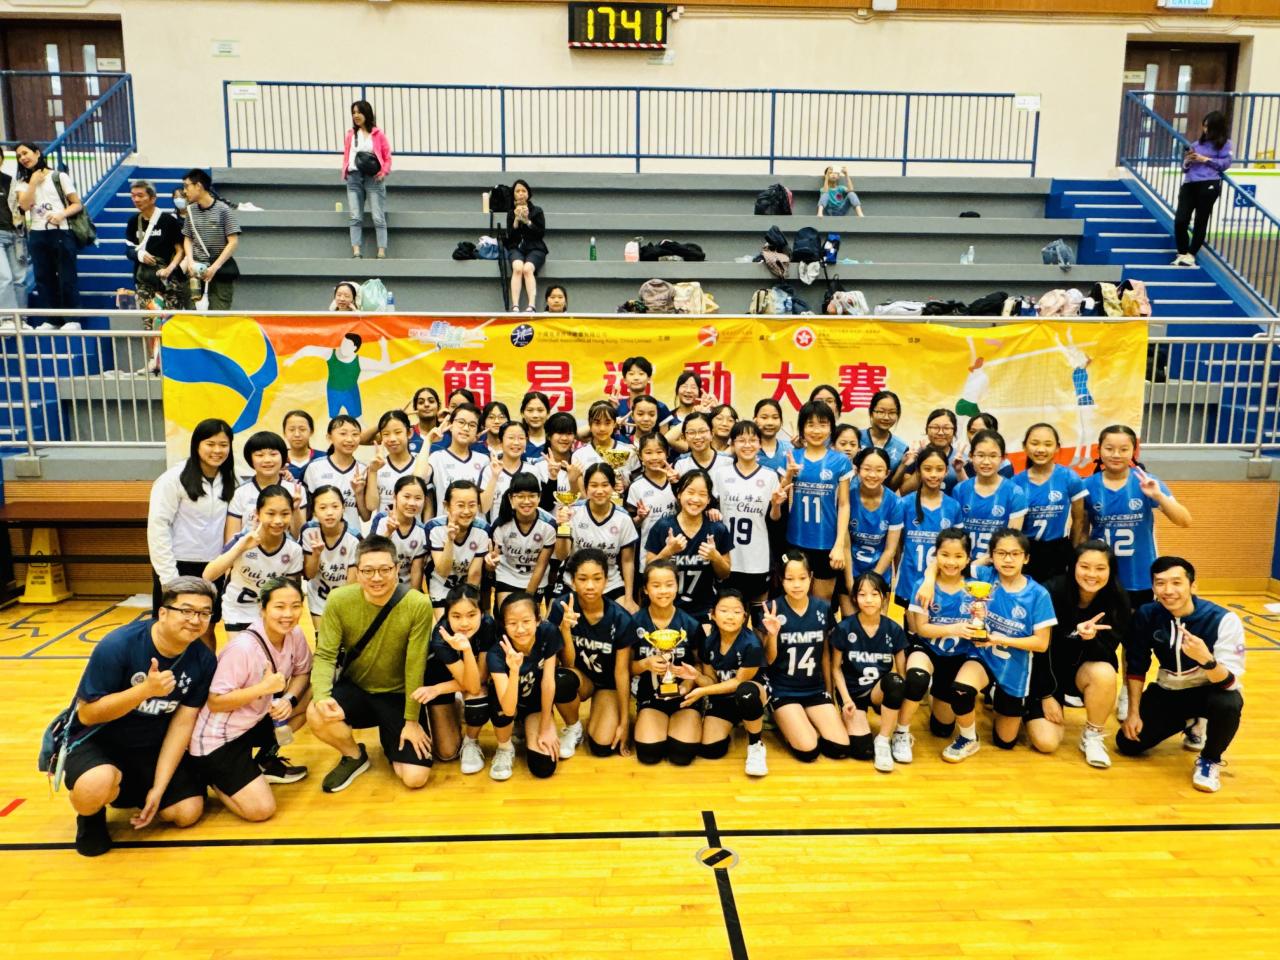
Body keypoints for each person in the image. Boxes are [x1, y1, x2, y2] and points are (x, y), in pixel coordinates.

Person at [62, 576, 219, 857]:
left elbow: (182, 724)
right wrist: (143, 691)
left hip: (149, 747)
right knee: (94, 786)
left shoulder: (203, 660)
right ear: (163, 612)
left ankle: (133, 791)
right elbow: (87, 715)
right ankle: (91, 816)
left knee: (187, 812)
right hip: (99, 742)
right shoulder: (118, 645)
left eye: (204, 613)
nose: (195, 620)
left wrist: (159, 787)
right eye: (186, 611)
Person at [306, 535, 434, 793]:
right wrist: (321, 696)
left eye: (385, 569)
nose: (377, 578)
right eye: (368, 571)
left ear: (397, 569)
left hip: (398, 695)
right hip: (357, 689)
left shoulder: (418, 604)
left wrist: (411, 720)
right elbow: (326, 655)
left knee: (415, 777)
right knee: (315, 712)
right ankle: (354, 755)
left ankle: (392, 738)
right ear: (357, 571)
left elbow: (415, 665)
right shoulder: (339, 600)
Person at [1116, 556, 1245, 793]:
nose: (1168, 590)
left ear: (1193, 586)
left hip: (1209, 691)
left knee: (1229, 703)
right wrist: (1133, 712)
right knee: (1128, 744)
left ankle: (1210, 759)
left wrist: (1206, 660)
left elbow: (1230, 683)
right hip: (1169, 690)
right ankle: (1191, 721)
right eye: (1160, 583)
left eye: (1176, 582)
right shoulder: (1147, 614)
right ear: (1153, 587)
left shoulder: (1223, 620)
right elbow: (1136, 666)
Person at [188, 577, 312, 822]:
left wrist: (289, 700)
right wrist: (263, 688)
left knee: (313, 697)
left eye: (295, 606)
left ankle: (264, 759)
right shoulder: (243, 648)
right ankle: (208, 775)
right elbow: (216, 701)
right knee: (261, 810)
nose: (288, 614)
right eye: (279, 607)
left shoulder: (295, 634)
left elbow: (303, 673)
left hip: (253, 722)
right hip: (219, 740)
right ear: (262, 609)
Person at [942, 528, 1055, 763]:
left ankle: (1004, 700)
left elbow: (1041, 644)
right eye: (1001, 553)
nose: (1008, 559)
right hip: (982, 656)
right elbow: (945, 564)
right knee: (960, 691)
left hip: (1014, 667)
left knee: (1005, 742)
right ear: (991, 556)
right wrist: (927, 581)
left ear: (1026, 558)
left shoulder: (1038, 594)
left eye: (1015, 554)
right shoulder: (984, 575)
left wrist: (998, 638)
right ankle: (968, 738)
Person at [1030, 541, 1130, 768]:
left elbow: (1106, 653)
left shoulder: (1118, 599)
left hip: (1082, 672)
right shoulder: (1050, 592)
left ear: (1110, 571)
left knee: (1104, 672)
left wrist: (1090, 638)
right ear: (1073, 566)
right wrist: (1046, 695)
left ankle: (1093, 736)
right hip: (1046, 672)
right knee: (1046, 742)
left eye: (1100, 568)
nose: (1092, 574)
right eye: (1085, 567)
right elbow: (1037, 650)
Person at [147, 418, 236, 649]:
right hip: (178, 566)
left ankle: (205, 672)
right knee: (172, 630)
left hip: (213, 568)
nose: (217, 450)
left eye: (223, 445)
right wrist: (168, 577)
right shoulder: (172, 479)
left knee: (206, 628)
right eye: (210, 444)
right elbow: (158, 526)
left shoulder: (231, 480)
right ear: (196, 445)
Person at [1085, 424, 1192, 611]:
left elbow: (1184, 520)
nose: (1116, 454)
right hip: (1099, 575)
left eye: (1123, 449)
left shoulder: (1147, 481)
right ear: (1099, 450)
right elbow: (1081, 529)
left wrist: (1158, 496)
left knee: (1138, 628)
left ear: (1133, 451)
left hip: (1140, 575)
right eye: (1109, 448)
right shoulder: (1087, 485)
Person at [761, 554, 849, 764]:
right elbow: (768, 660)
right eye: (790, 579)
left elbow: (825, 654)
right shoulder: (772, 608)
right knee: (809, 751)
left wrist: (829, 693)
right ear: (781, 580)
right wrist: (772, 635)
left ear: (811, 577)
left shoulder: (822, 608)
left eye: (802, 578)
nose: (797, 584)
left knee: (840, 747)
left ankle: (802, 720)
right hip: (784, 690)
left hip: (814, 689)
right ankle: (781, 716)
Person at [546, 549, 635, 758]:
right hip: (581, 678)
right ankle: (573, 727)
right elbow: (568, 664)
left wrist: (624, 722)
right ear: (572, 581)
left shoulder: (621, 618)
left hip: (608, 684)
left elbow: (622, 672)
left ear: (606, 580)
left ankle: (608, 712)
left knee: (602, 748)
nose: (590, 586)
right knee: (561, 679)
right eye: (582, 579)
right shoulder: (561, 607)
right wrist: (565, 630)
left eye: (597, 578)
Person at [900, 528, 978, 762]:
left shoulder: (975, 587)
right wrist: (955, 628)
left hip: (957, 656)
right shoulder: (924, 586)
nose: (951, 562)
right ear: (936, 556)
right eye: (945, 555)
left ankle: (937, 694)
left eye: (958, 556)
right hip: (928, 648)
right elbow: (922, 629)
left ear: (968, 559)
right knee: (916, 680)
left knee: (942, 729)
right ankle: (901, 732)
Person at [487, 592, 580, 780]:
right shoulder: (496, 653)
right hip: (511, 707)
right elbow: (508, 708)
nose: (520, 629)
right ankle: (504, 747)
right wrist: (514, 670)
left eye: (526, 621)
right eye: (512, 623)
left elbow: (548, 682)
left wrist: (545, 726)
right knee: (498, 698)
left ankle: (531, 725)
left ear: (538, 620)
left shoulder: (548, 632)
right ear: (504, 625)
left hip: (535, 705)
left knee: (543, 767)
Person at [684, 590, 769, 777]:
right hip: (723, 698)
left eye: (737, 612)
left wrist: (701, 692)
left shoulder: (752, 643)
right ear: (713, 614)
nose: (730, 616)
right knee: (711, 750)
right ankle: (734, 724)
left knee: (745, 692)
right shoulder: (709, 642)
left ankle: (755, 744)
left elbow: (739, 682)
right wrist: (696, 676)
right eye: (724, 610)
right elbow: (711, 681)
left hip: (752, 693)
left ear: (744, 616)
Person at [829, 571, 908, 772]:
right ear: (854, 598)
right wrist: (846, 700)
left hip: (878, 691)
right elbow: (835, 668)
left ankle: (884, 740)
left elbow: (901, 673)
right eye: (862, 594)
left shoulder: (894, 629)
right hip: (853, 693)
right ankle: (861, 724)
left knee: (895, 681)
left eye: (874, 594)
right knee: (861, 751)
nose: (869, 600)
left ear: (884, 597)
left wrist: (898, 705)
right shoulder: (845, 628)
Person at [629, 560, 705, 766]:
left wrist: (688, 683)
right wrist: (645, 664)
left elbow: (700, 664)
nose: (663, 591)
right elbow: (625, 668)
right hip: (650, 696)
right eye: (656, 585)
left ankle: (694, 716)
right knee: (649, 755)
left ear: (677, 586)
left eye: (669, 584)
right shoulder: (634, 623)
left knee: (681, 755)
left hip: (685, 698)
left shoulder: (690, 624)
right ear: (646, 589)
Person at [203, 485, 304, 634]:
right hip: (237, 611)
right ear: (257, 513)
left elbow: (290, 591)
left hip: (271, 613)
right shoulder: (242, 540)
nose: (278, 520)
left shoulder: (293, 549)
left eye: (285, 514)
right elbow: (208, 575)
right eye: (270, 513)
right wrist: (240, 547)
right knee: (244, 648)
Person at [413, 584, 493, 770]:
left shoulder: (488, 625)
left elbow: (477, 682)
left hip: (460, 681)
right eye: (456, 616)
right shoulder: (440, 637)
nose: (464, 623)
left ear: (481, 613)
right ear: (447, 616)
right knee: (447, 753)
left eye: (471, 615)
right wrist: (438, 687)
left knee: (477, 698)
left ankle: (471, 742)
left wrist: (438, 689)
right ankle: (455, 704)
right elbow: (471, 683)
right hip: (440, 676)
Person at [713, 420, 784, 615]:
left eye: (753, 440)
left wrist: (776, 504)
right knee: (732, 614)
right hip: (728, 557)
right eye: (741, 440)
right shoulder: (721, 474)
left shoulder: (770, 476)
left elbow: (775, 518)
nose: (747, 445)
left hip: (757, 557)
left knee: (760, 617)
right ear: (732, 443)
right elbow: (711, 508)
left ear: (760, 444)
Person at [784, 400, 853, 602]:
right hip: (795, 540)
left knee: (821, 602)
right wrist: (788, 475)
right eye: (810, 424)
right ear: (802, 428)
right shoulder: (793, 457)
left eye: (823, 424)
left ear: (831, 428)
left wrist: (839, 544)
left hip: (826, 543)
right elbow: (779, 495)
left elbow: (844, 504)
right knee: (796, 598)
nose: (816, 430)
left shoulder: (840, 461)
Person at [643, 469, 732, 623]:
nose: (695, 499)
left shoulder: (717, 529)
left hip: (704, 610)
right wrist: (668, 551)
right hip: (667, 609)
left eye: (702, 494)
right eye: (690, 492)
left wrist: (715, 557)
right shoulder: (662, 527)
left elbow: (725, 574)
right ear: (679, 494)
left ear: (709, 499)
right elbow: (648, 570)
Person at [13, 140, 82, 328]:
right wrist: (33, 182)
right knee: (44, 278)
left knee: (66, 277)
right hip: (37, 234)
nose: (23, 158)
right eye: (19, 156)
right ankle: (51, 319)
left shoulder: (59, 176)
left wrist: (61, 214)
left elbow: (77, 204)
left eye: (25, 153)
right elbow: (24, 206)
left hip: (61, 231)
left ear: (37, 153)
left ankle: (72, 320)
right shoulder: (22, 183)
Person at [555, 463, 639, 609]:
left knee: (629, 614)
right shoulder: (573, 512)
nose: (599, 491)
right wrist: (563, 527)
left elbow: (627, 561)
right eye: (594, 485)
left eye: (605, 485)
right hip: (574, 581)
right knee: (553, 614)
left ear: (613, 487)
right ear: (586, 488)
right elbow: (561, 555)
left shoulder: (624, 518)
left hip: (610, 583)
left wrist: (629, 598)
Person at [1015, 422, 1087, 584]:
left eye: (1048, 444)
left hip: (1058, 549)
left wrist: (1072, 551)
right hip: (1027, 549)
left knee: (1057, 595)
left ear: (1057, 448)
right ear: (1024, 447)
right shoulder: (1016, 483)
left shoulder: (1070, 477)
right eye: (1034, 443)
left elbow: (1079, 520)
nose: (1041, 449)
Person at [894, 446, 963, 613]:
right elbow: (898, 545)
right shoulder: (905, 504)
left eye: (939, 469)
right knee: (910, 627)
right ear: (918, 471)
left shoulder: (953, 506)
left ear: (946, 471)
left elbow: (958, 547)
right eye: (927, 469)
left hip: (941, 583)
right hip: (908, 582)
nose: (933, 474)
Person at [842, 447, 902, 616]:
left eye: (879, 470)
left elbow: (890, 550)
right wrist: (850, 583)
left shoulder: (895, 503)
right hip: (850, 572)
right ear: (857, 470)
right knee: (851, 626)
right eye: (867, 469)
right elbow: (845, 545)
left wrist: (872, 582)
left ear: (887, 473)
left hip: (880, 575)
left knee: (877, 627)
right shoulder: (847, 497)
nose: (872, 475)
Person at [951, 429, 1027, 562]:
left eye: (993, 456)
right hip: (963, 565)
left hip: (999, 565)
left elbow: (1011, 542)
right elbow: (953, 537)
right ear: (971, 456)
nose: (986, 462)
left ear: (1002, 458)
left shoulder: (1015, 493)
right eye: (980, 455)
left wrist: (980, 563)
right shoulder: (959, 490)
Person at [1172, 110, 1232, 267]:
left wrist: (1205, 159)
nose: (1205, 130)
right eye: (1204, 126)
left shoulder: (1225, 145)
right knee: (1180, 220)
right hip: (1190, 183)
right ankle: (1182, 252)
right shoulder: (1196, 145)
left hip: (1209, 183)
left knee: (1201, 220)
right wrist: (1188, 161)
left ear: (1216, 128)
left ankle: (1191, 254)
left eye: (1208, 127)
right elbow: (1185, 168)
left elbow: (1225, 164)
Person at [489, 471, 557, 604]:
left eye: (532, 496)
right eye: (520, 496)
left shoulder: (549, 525)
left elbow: (541, 565)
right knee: (507, 613)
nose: (526, 501)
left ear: (539, 497)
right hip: (508, 574)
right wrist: (490, 564)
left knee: (527, 612)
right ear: (511, 498)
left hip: (536, 577)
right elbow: (493, 561)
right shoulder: (501, 524)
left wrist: (528, 596)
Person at [225, 430, 307, 540]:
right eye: (260, 455)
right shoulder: (240, 493)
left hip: (286, 551)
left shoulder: (296, 490)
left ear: (283, 457)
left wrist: (295, 509)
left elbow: (300, 537)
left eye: (273, 454)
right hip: (249, 550)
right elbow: (231, 541)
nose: (267, 460)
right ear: (250, 459)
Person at [125, 179, 189, 314]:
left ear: (153, 198)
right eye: (133, 196)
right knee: (149, 320)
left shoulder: (168, 221)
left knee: (170, 321)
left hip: (169, 280)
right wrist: (139, 255)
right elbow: (128, 250)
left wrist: (169, 269)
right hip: (144, 280)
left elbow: (180, 250)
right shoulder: (133, 222)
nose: (136, 199)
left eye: (140, 195)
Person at [180, 169, 240, 311]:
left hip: (219, 272)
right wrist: (190, 262)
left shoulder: (223, 210)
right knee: (192, 316)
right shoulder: (190, 210)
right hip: (195, 273)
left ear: (198, 186)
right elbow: (188, 239)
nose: (184, 191)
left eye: (187, 186)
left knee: (218, 316)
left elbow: (233, 242)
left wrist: (214, 268)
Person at [300, 484, 360, 627]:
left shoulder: (354, 538)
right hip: (318, 597)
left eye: (335, 506)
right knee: (321, 638)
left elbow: (352, 584)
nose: (329, 513)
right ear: (314, 511)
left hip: (345, 600)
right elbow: (309, 575)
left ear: (343, 508)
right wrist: (316, 554)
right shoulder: (309, 532)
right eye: (322, 508)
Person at [425, 480, 489, 610]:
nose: (466, 511)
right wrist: (450, 540)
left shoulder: (483, 529)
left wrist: (467, 603)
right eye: (460, 505)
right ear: (446, 506)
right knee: (443, 622)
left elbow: (474, 575)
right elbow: (443, 571)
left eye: (472, 505)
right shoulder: (434, 527)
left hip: (468, 588)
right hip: (441, 586)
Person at [418, 402, 487, 519]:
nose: (466, 428)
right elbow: (418, 478)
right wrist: (428, 441)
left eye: (472, 425)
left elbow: (485, 505)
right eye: (461, 422)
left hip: (476, 526)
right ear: (450, 424)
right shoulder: (437, 458)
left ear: (477, 431)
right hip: (445, 525)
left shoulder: (484, 460)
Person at [343, 99, 392, 259]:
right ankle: (356, 251)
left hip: (373, 178)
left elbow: (387, 157)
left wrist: (384, 172)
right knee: (355, 216)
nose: (356, 115)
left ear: (367, 113)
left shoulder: (378, 134)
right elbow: (347, 155)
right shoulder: (351, 135)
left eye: (359, 112)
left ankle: (381, 251)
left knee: (378, 216)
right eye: (353, 112)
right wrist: (346, 172)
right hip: (354, 178)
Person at [302, 414, 369, 527]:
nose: (350, 439)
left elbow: (366, 517)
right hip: (320, 533)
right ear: (329, 437)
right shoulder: (315, 467)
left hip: (352, 534)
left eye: (355, 434)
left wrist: (359, 493)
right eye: (343, 434)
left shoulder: (364, 470)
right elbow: (307, 510)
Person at [369, 476, 430, 590]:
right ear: (395, 496)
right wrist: (388, 532)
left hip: (404, 590)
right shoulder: (381, 519)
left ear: (425, 500)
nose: (412, 503)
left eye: (418, 498)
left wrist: (412, 597)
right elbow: (370, 555)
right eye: (406, 497)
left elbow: (416, 570)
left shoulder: (422, 531)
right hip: (379, 584)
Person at [364, 410, 418, 518]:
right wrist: (373, 472)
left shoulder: (420, 464)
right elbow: (371, 506)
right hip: (383, 527)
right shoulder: (376, 466)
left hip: (413, 527)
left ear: (409, 433)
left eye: (398, 432)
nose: (392, 439)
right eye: (386, 434)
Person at [894, 408, 961, 495]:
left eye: (946, 428)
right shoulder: (914, 455)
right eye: (935, 427)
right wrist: (923, 459)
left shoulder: (962, 459)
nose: (940, 433)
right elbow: (904, 491)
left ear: (954, 430)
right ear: (927, 429)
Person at [504, 179, 548, 312]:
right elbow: (510, 236)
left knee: (527, 269)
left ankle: (531, 306)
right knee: (518, 268)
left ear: (528, 194)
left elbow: (540, 233)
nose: (521, 193)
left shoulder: (537, 211)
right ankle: (515, 306)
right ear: (514, 195)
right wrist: (516, 220)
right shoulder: (511, 213)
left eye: (523, 191)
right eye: (517, 191)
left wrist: (528, 221)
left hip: (535, 248)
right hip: (516, 248)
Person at [0, 145, 28, 311]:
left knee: (20, 279)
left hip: (15, 234)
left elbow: (18, 207)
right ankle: (8, 319)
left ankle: (22, 319)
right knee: (5, 278)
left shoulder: (9, 180)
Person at [860, 390, 909, 481]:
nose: (886, 417)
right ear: (871, 412)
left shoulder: (902, 448)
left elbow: (893, 486)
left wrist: (903, 465)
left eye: (892, 412)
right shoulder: (856, 438)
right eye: (881, 412)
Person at [673, 412, 728, 476]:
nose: (697, 437)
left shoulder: (728, 461)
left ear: (712, 433)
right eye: (691, 432)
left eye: (702, 431)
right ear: (684, 437)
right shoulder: (680, 463)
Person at [283, 409, 323, 481]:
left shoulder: (324, 458)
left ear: (311, 431)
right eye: (291, 430)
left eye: (302, 429)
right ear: (284, 433)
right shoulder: (278, 460)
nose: (297, 434)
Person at [519, 390, 551, 457]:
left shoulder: (554, 440)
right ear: (522, 413)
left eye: (540, 410)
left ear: (548, 413)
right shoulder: (516, 440)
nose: (535, 415)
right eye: (530, 410)